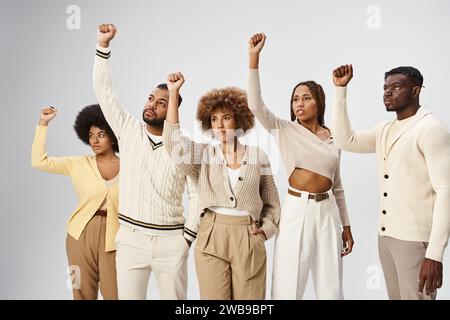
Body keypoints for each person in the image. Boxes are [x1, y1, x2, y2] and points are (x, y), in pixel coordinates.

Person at [93, 24, 200, 300]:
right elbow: (104, 92)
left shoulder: (183, 147)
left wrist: (187, 239)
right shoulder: (128, 130)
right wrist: (103, 46)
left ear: (173, 109)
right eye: (151, 97)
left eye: (162, 102)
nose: (152, 103)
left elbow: (197, 193)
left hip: (171, 243)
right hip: (131, 240)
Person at [247, 33, 354, 300]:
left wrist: (347, 226)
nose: (299, 103)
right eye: (296, 99)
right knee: (288, 284)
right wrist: (254, 58)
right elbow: (255, 105)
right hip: (297, 210)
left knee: (330, 287)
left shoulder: (334, 136)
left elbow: (337, 184)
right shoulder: (285, 129)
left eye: (306, 98)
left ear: (319, 102)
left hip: (327, 212)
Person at [332, 64, 450, 300]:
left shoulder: (431, 129)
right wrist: (340, 91)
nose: (387, 92)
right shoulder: (385, 129)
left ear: (415, 91)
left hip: (416, 242)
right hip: (386, 238)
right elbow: (346, 140)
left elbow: (446, 191)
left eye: (396, 87)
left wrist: (435, 254)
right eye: (385, 87)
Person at [162, 72, 280, 300]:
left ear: (239, 120)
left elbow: (272, 202)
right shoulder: (204, 153)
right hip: (211, 235)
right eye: (214, 120)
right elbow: (172, 143)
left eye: (226, 118)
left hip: (248, 235)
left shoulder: (259, 156)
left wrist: (265, 231)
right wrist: (174, 94)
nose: (220, 125)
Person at [31, 104, 120, 300]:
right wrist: (43, 123)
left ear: (113, 136)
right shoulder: (77, 163)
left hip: (115, 238)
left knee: (117, 293)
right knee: (80, 292)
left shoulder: (130, 166)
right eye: (90, 135)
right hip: (79, 235)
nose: (94, 140)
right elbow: (39, 161)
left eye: (101, 134)